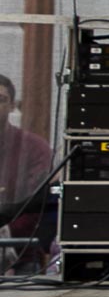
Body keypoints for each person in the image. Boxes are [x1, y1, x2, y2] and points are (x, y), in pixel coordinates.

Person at [0, 73, 55, 271]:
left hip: (21, 255)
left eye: (1, 99)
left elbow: (39, 205)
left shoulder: (34, 147)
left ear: (12, 106)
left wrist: (6, 231)